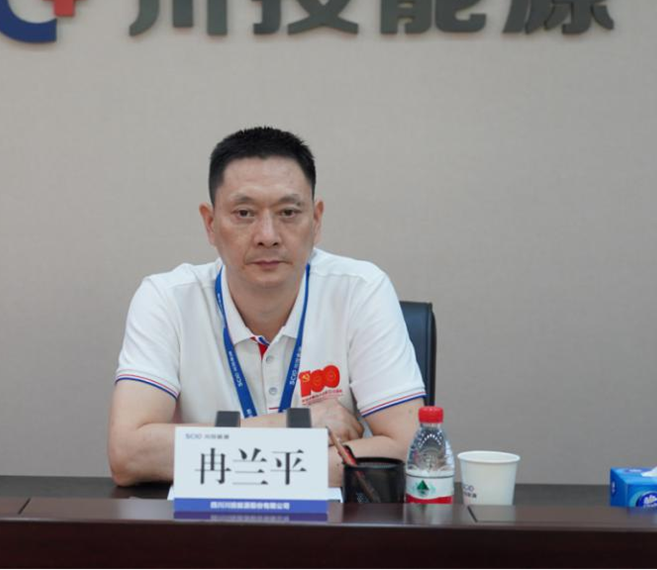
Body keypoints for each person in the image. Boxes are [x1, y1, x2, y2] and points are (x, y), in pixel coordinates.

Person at [108, 127, 425, 486]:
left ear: (316, 220)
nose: (268, 236)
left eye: (288, 212)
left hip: (327, 523)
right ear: (210, 224)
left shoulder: (360, 291)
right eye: (244, 213)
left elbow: (410, 449)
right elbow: (128, 454)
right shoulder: (167, 299)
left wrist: (224, 458)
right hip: (200, 521)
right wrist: (294, 426)